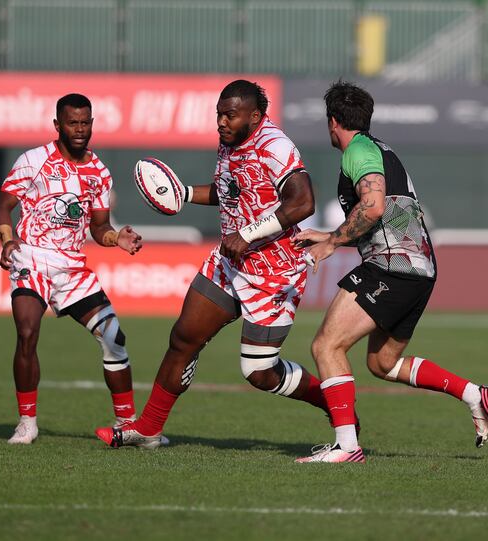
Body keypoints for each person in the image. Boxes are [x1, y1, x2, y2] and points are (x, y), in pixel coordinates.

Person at [96, 79, 332, 450]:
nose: (221, 122)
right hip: (229, 263)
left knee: (259, 372)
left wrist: (249, 234)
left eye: (230, 115)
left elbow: (302, 202)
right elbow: (231, 191)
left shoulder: (275, 145)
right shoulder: (230, 141)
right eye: (219, 114)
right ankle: (149, 428)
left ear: (255, 116)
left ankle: (332, 403)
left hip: (273, 272)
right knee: (183, 338)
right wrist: (185, 193)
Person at [293, 81, 488, 463]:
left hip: (393, 266)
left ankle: (346, 447)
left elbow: (372, 208)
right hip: (418, 268)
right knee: (382, 363)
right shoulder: (378, 149)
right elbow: (381, 210)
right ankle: (476, 395)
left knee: (326, 345)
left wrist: (330, 243)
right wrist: (328, 234)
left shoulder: (357, 150)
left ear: (333, 122)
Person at [0, 93, 144, 445]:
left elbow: (98, 227)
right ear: (57, 125)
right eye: (73, 123)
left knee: (114, 339)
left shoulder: (100, 173)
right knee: (28, 332)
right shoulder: (34, 160)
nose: (80, 129)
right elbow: (3, 207)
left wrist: (115, 239)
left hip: (73, 268)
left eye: (85, 122)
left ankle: (129, 423)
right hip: (32, 258)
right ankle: (27, 422)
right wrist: (7, 240)